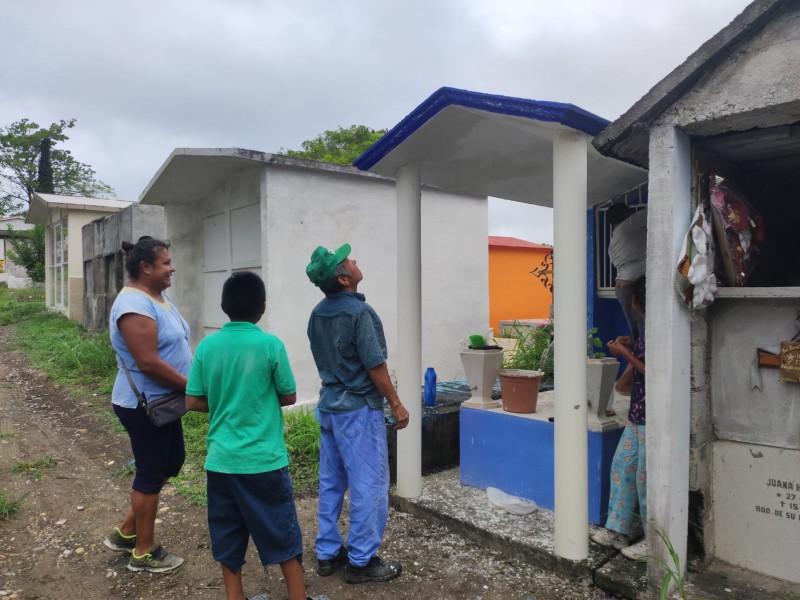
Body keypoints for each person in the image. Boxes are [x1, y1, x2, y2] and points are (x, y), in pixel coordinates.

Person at [185, 272, 326, 600]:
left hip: (221, 463)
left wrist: (224, 401)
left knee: (228, 538)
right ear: (262, 307)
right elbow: (289, 396)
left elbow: (192, 400)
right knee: (283, 535)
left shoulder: (207, 347)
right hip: (264, 461)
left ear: (222, 307)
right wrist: (257, 397)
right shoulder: (269, 345)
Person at [306, 243, 410, 584]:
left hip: (330, 409)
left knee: (332, 482)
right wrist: (395, 403)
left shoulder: (318, 313)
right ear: (344, 277)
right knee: (370, 486)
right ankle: (361, 562)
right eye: (349, 260)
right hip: (358, 412)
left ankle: (327, 553)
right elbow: (375, 365)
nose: (355, 260)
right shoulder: (358, 314)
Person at [103, 236, 190, 573]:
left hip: (165, 401)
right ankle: (143, 552)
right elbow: (149, 363)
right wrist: (196, 388)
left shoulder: (157, 297)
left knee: (171, 462)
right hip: (143, 405)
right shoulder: (133, 305)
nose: (172, 267)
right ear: (146, 267)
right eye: (166, 263)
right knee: (151, 473)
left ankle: (126, 532)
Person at [590, 275, 648, 560]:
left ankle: (655, 541)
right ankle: (618, 529)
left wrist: (625, 352)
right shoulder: (646, 330)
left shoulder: (660, 329)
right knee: (622, 468)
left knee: (645, 479)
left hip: (654, 421)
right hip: (638, 415)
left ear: (637, 300)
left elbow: (654, 372)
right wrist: (630, 345)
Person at [607, 203, 647, 394]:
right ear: (625, 214)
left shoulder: (613, 241)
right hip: (634, 290)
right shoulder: (629, 225)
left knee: (641, 339)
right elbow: (658, 209)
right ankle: (625, 384)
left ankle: (628, 384)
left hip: (624, 289)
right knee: (646, 340)